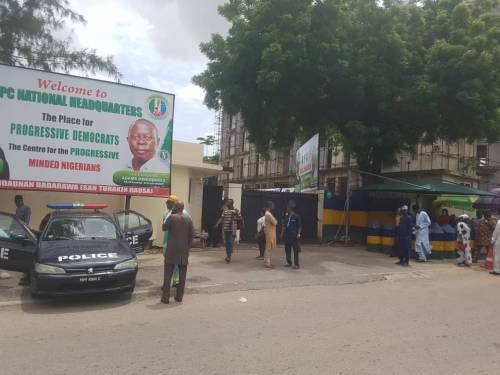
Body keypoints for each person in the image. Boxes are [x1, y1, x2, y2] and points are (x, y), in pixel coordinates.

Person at [161, 201, 194, 304]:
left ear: (175, 208)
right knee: (182, 276)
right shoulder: (188, 219)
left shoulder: (171, 217)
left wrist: (171, 213)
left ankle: (165, 298)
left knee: (167, 275)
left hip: (171, 251)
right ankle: (179, 297)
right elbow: (191, 236)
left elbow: (164, 227)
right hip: (183, 251)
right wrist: (187, 248)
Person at [215, 199, 241, 263]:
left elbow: (240, 218)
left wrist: (236, 216)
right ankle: (228, 255)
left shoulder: (236, 210)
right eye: (227, 203)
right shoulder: (225, 211)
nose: (226, 204)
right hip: (226, 229)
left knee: (229, 242)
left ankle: (228, 257)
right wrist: (217, 224)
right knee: (227, 243)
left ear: (231, 203)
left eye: (228, 203)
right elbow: (221, 218)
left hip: (233, 230)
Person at [282, 200, 302, 269]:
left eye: (287, 208)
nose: (286, 209)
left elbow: (299, 226)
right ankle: (289, 262)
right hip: (287, 236)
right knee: (287, 250)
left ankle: (296, 264)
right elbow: (284, 226)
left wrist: (298, 234)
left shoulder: (297, 216)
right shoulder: (286, 216)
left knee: (295, 250)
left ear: (290, 208)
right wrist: (282, 234)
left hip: (294, 236)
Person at [264, 201, 278, 269]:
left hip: (269, 232)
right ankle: (268, 263)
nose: (273, 207)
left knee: (268, 247)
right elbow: (275, 222)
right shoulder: (268, 214)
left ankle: (267, 261)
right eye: (272, 205)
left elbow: (274, 222)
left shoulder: (267, 213)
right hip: (270, 233)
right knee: (269, 248)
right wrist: (275, 221)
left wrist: (274, 221)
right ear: (270, 206)